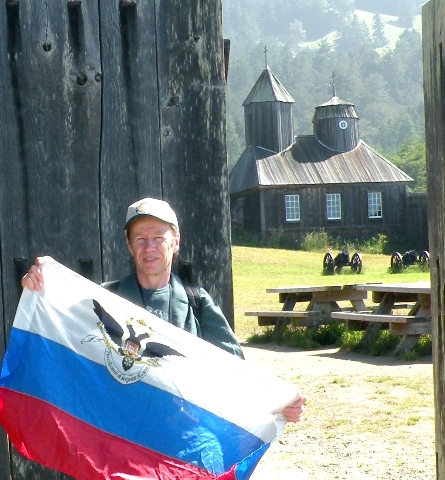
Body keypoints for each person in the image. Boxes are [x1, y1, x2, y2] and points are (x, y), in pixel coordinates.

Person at [22, 197, 306, 422]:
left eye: (158, 237)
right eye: (140, 238)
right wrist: (40, 289)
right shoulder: (104, 299)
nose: (149, 247)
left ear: (175, 241)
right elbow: (60, 336)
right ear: (129, 245)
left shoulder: (197, 302)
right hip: (121, 435)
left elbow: (233, 368)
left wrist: (276, 404)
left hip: (180, 438)